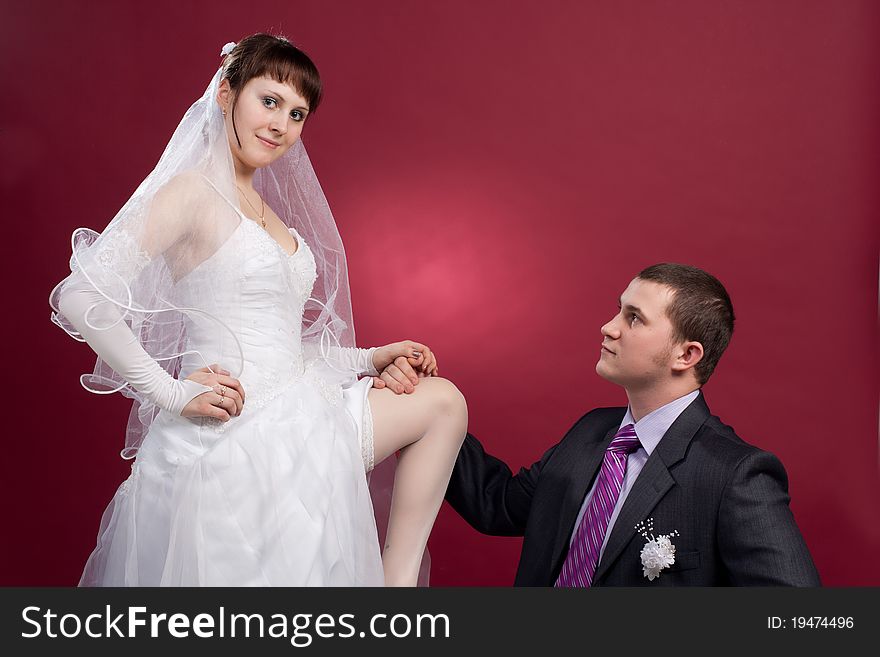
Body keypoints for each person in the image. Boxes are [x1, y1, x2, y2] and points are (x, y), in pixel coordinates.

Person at [49, 34, 467, 586]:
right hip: (231, 430)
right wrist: (170, 391)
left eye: (297, 114)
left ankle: (396, 591)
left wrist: (370, 358)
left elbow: (281, 346)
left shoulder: (269, 212)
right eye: (269, 102)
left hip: (302, 412)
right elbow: (81, 297)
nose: (282, 125)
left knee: (443, 402)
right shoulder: (191, 192)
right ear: (227, 93)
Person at [430, 263, 819, 586]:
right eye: (619, 310)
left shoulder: (733, 474)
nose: (609, 327)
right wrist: (430, 407)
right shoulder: (590, 432)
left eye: (633, 318)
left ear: (686, 354)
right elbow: (496, 504)